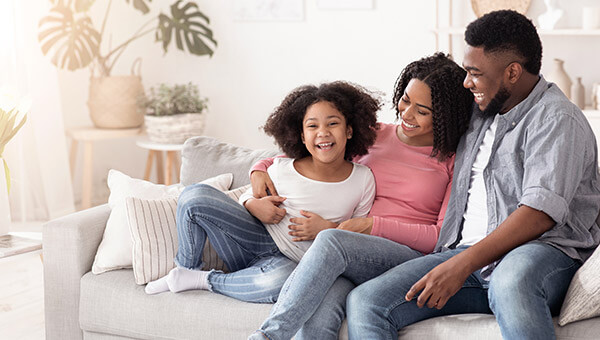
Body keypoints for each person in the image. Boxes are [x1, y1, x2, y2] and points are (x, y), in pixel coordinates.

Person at [346, 10, 600, 340]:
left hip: (541, 254)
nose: (467, 82)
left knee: (512, 282)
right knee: (368, 301)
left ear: (512, 72)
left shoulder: (556, 118)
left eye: (475, 73)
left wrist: (462, 264)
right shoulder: (482, 111)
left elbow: (539, 214)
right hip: (465, 255)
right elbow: (424, 114)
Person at [247, 53, 474, 339]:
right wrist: (259, 169)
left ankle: (268, 336)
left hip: (403, 258)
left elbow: (439, 236)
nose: (406, 114)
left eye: (422, 111)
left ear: (445, 116)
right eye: (405, 100)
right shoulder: (374, 135)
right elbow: (308, 154)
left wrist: (371, 226)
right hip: (350, 253)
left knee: (331, 241)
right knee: (317, 315)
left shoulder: (452, 161)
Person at [144, 81, 381, 303]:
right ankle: (185, 269)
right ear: (302, 136)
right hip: (251, 238)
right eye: (312, 126)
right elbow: (250, 194)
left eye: (332, 123)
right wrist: (252, 205)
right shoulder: (282, 167)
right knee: (194, 196)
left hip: (292, 262)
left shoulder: (362, 179)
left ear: (349, 130)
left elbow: (359, 238)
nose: (323, 132)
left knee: (282, 282)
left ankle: (204, 280)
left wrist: (327, 229)